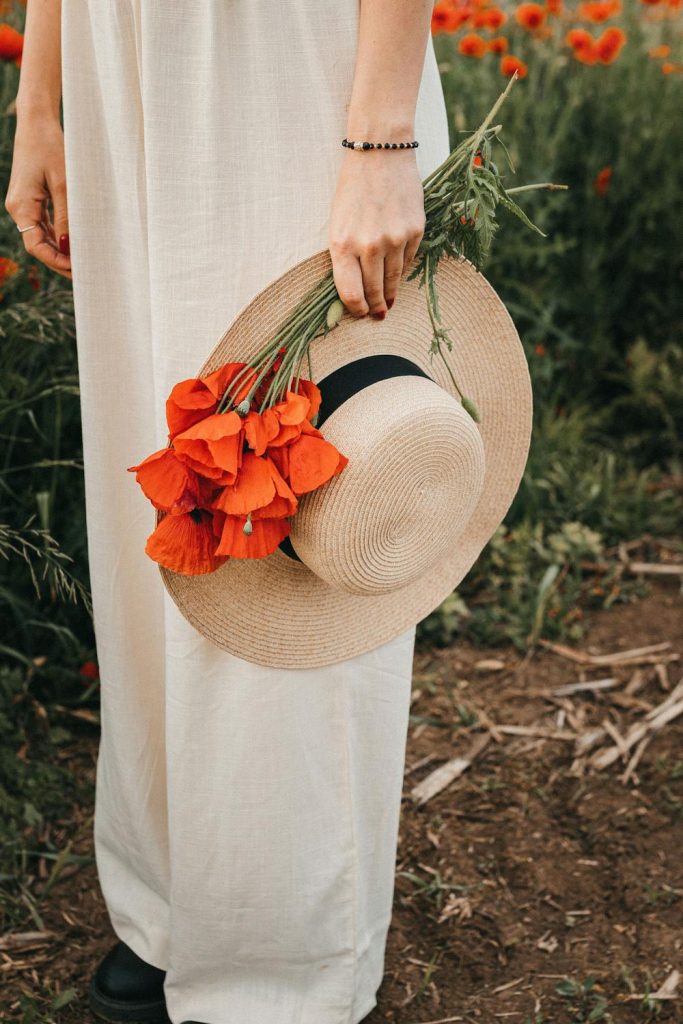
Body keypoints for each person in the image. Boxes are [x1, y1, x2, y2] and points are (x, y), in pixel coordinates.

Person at [5, 2, 451, 1021]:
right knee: (159, 491)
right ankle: (175, 901)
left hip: (279, 63)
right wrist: (39, 103)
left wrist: (380, 135)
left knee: (292, 514)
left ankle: (285, 956)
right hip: (123, 55)